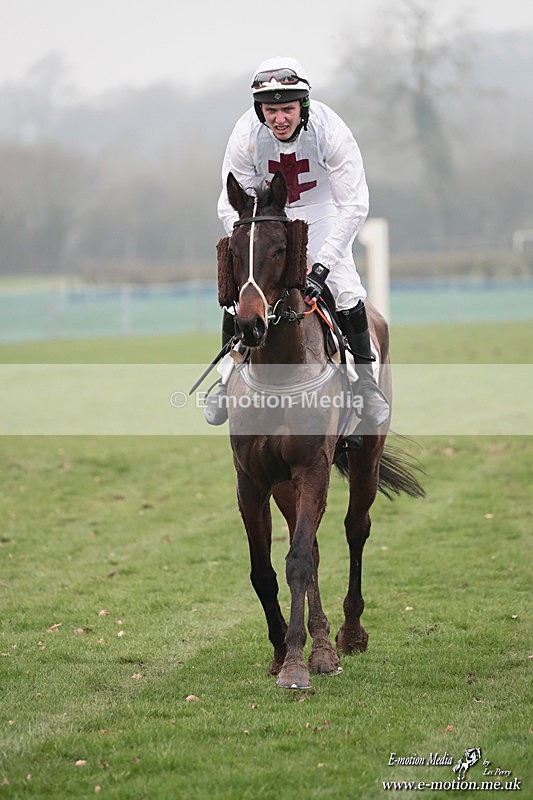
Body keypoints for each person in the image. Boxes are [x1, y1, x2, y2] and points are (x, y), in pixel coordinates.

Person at [205, 55, 390, 431]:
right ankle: (225, 379)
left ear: (303, 106)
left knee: (345, 289)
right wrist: (250, 244)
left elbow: (354, 204)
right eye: (270, 110)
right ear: (259, 110)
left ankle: (366, 385)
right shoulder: (245, 135)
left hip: (323, 212)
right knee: (243, 291)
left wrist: (321, 267)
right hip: (268, 216)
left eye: (287, 109)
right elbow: (231, 203)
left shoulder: (330, 130)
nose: (279, 119)